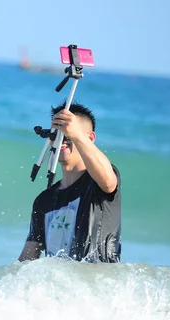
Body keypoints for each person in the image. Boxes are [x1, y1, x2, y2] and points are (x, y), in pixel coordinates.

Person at [19, 103, 121, 263]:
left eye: (68, 132)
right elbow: (26, 260)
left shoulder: (98, 182)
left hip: (97, 283)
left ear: (90, 138)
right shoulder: (43, 201)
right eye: (58, 131)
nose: (63, 137)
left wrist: (76, 135)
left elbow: (108, 183)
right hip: (61, 286)